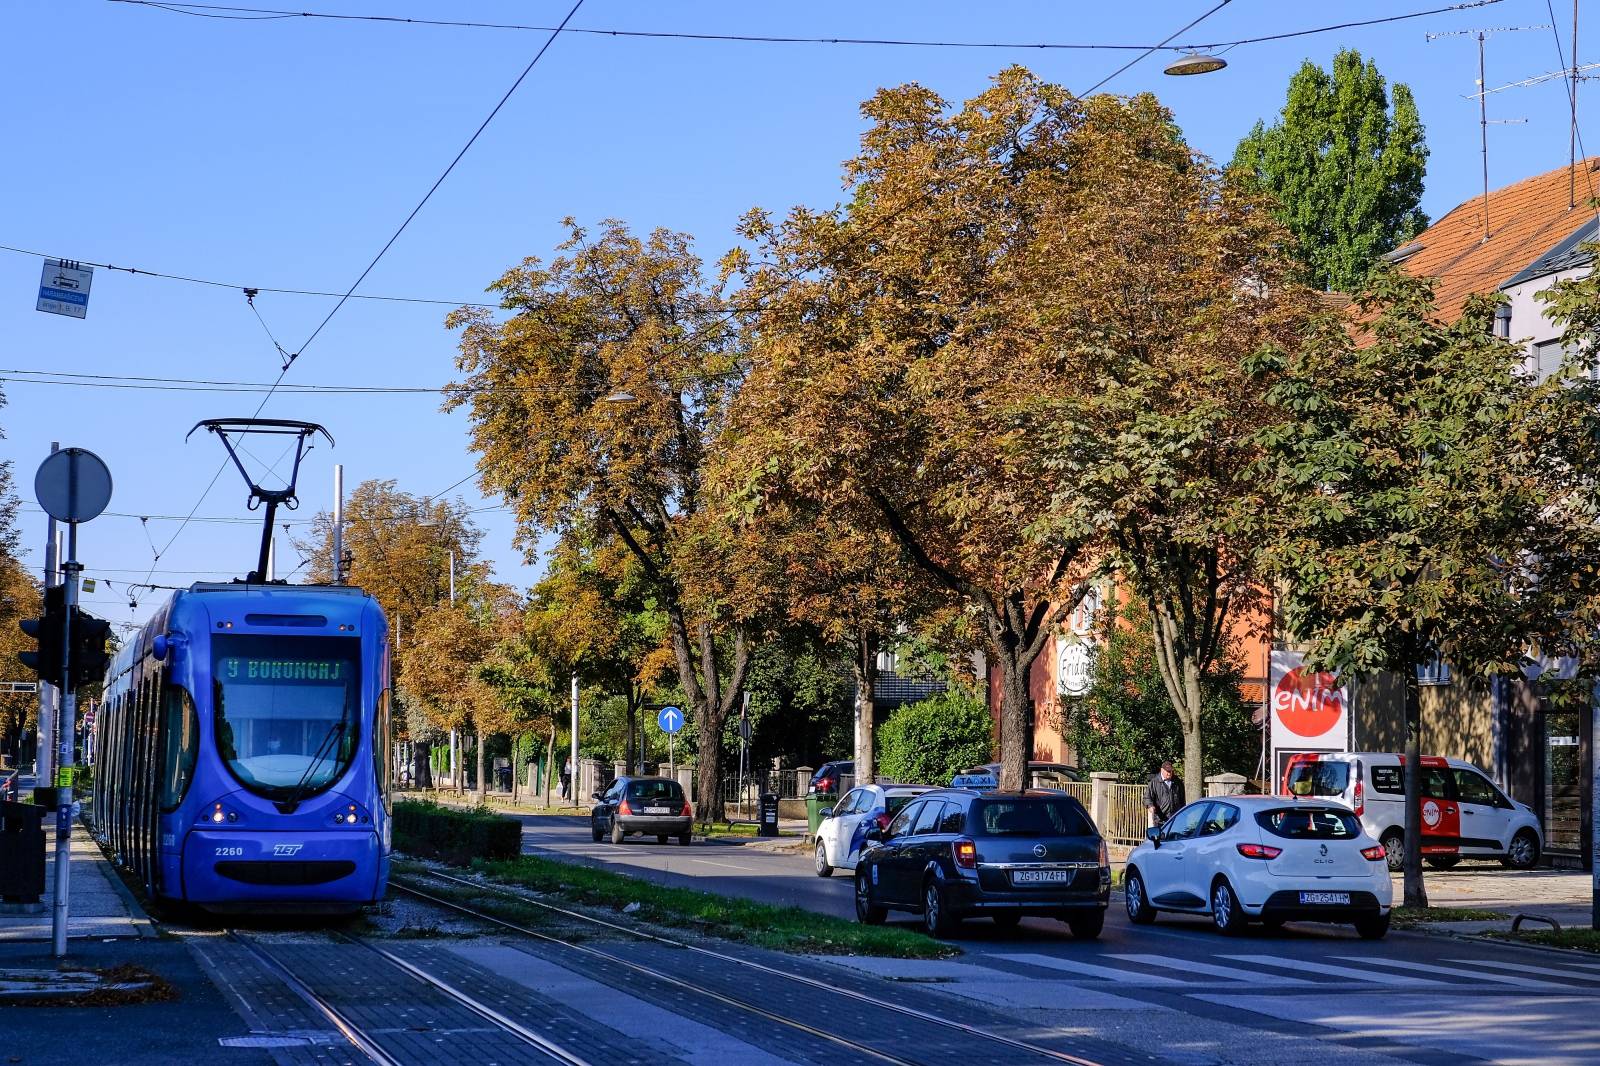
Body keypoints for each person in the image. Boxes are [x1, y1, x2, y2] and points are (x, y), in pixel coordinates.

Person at [1145, 760, 1184, 828]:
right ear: (1162, 770)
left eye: (1170, 771)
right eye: (1167, 771)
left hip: (1175, 819)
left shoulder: (1177, 782)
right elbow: (1147, 797)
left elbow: (1182, 799)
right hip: (1160, 820)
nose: (1169, 773)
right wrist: (1150, 806)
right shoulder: (1154, 782)